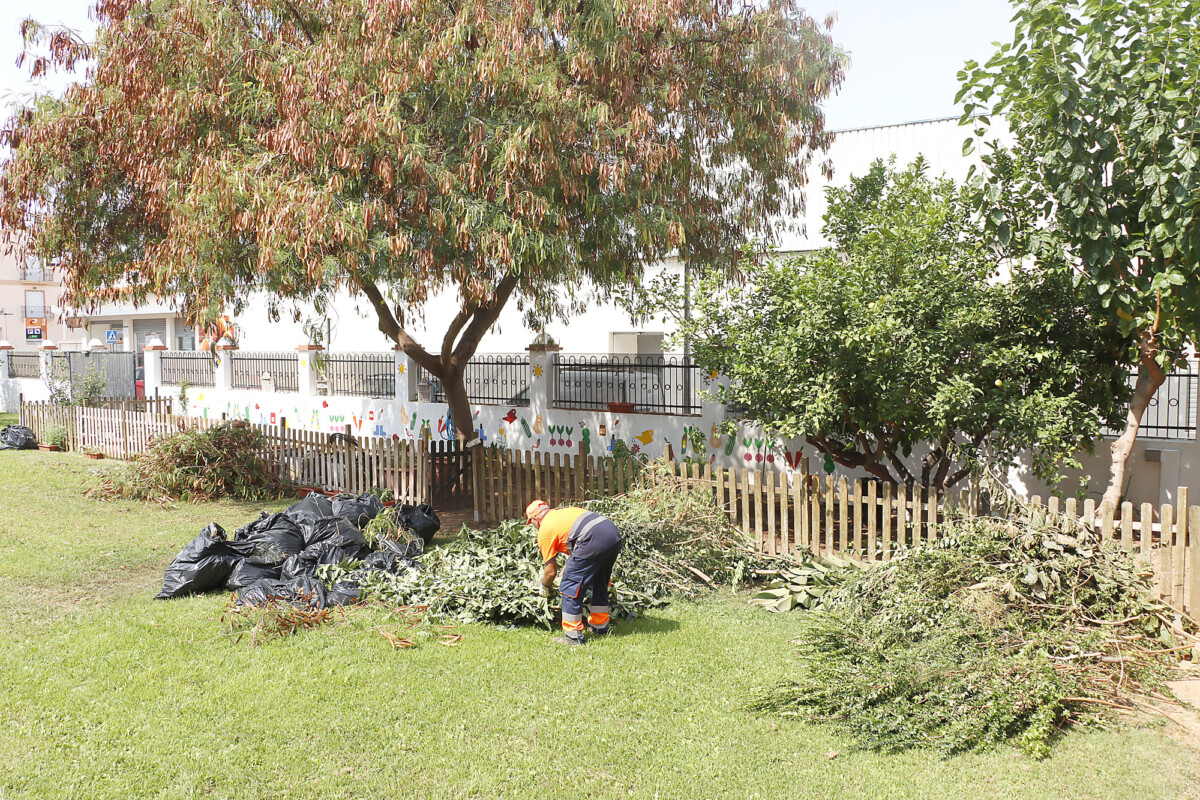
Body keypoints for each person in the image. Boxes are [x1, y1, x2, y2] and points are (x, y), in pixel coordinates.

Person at [526, 499, 623, 646]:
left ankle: (572, 637)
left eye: (531, 523)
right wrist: (568, 566)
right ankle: (600, 626)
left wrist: (545, 587)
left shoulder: (545, 530)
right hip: (611, 534)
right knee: (599, 581)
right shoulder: (562, 514)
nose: (533, 526)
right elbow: (578, 540)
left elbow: (550, 572)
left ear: (535, 519)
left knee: (570, 585)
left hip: (592, 539)